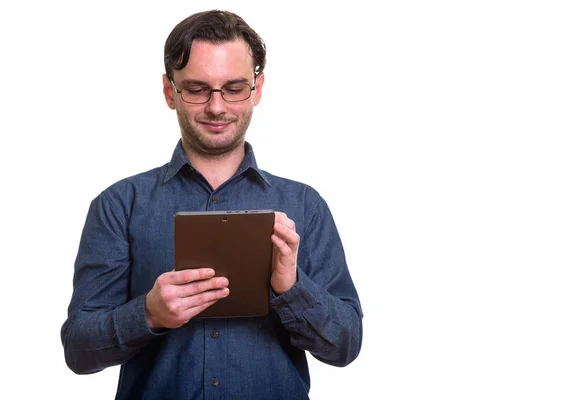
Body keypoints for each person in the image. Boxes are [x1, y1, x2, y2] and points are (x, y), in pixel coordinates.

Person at [61, 9, 363, 400]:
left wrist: (291, 287)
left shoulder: (305, 204)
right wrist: (149, 313)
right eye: (197, 89)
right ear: (170, 92)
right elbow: (78, 351)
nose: (217, 107)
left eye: (234, 88)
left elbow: (345, 346)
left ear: (257, 88)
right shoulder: (118, 205)